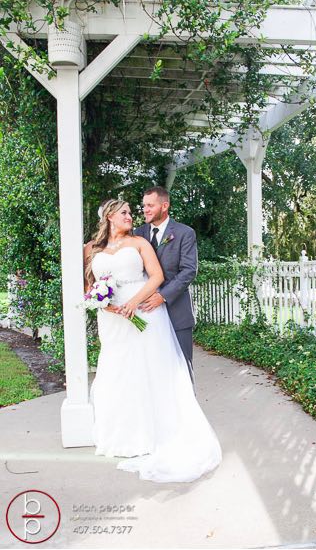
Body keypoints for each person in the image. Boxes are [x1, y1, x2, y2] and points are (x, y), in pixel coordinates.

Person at [84, 199, 222, 483]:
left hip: (142, 313)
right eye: (125, 212)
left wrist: (134, 302)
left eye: (131, 212)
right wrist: (102, 302)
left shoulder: (139, 243)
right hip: (111, 320)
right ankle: (121, 435)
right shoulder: (91, 249)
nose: (130, 216)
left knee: (147, 371)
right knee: (117, 373)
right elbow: (88, 284)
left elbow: (157, 276)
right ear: (109, 216)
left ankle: (150, 434)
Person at [133, 186, 197, 387]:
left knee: (183, 369)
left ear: (165, 206)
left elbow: (189, 271)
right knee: (152, 371)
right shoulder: (137, 233)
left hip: (177, 312)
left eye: (150, 205)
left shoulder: (185, 233)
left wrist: (163, 296)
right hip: (146, 314)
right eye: (144, 206)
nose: (145, 210)